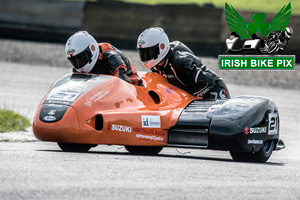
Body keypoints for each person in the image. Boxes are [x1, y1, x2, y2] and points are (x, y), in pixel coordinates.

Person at [137, 27, 230, 100]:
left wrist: (189, 97)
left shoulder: (180, 62)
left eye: (149, 53)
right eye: (143, 53)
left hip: (215, 90)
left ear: (162, 46)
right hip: (195, 95)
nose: (146, 58)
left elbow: (209, 82)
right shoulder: (156, 66)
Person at [65, 31, 144, 86]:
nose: (79, 63)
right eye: (74, 61)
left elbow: (123, 83)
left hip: (134, 90)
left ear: (92, 49)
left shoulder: (111, 57)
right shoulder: (78, 68)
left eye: (81, 58)